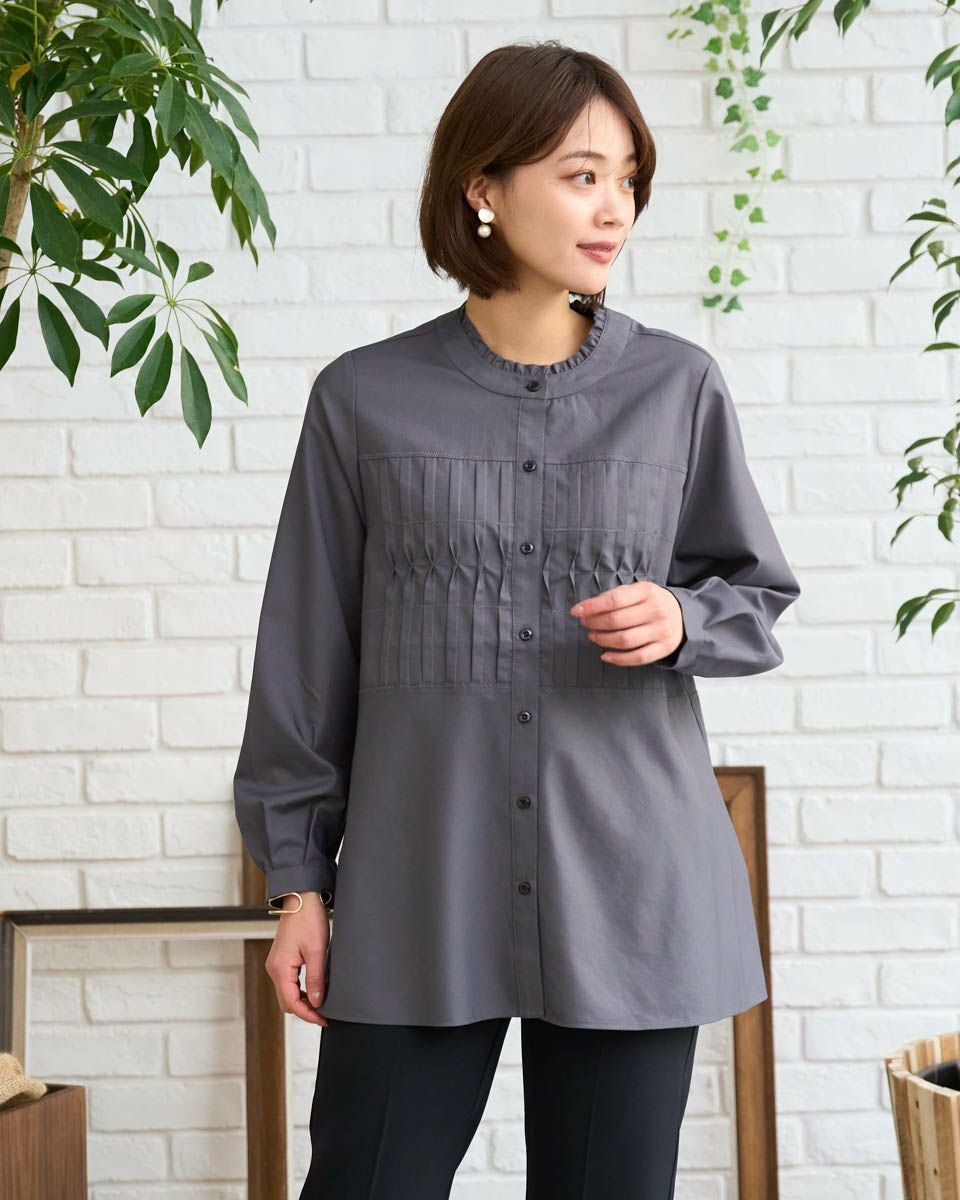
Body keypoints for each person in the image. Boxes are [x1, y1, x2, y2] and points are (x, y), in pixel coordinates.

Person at [232, 39, 801, 1200]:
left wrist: (681, 618)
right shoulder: (363, 400)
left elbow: (756, 600)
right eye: (582, 175)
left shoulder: (677, 387)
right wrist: (299, 886)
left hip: (630, 888)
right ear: (482, 187)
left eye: (628, 178)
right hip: (418, 889)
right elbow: (304, 659)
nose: (615, 208)